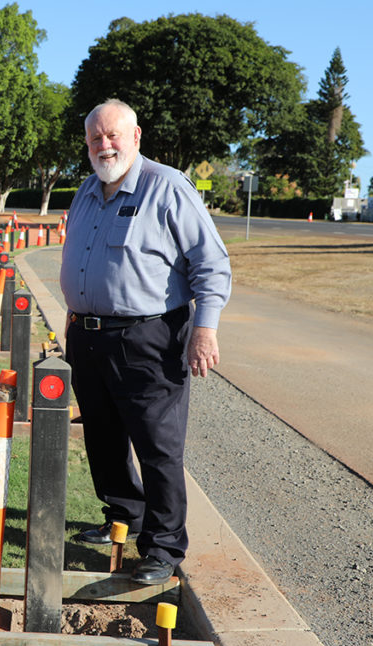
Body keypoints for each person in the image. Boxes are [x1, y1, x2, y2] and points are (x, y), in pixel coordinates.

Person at [59, 99, 232, 585]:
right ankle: (123, 516)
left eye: (112, 135)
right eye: (95, 137)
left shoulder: (167, 186)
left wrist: (205, 327)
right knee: (103, 434)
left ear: (136, 136)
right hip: (89, 336)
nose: (103, 144)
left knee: (157, 443)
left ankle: (162, 546)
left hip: (149, 338)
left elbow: (211, 264)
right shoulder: (87, 190)